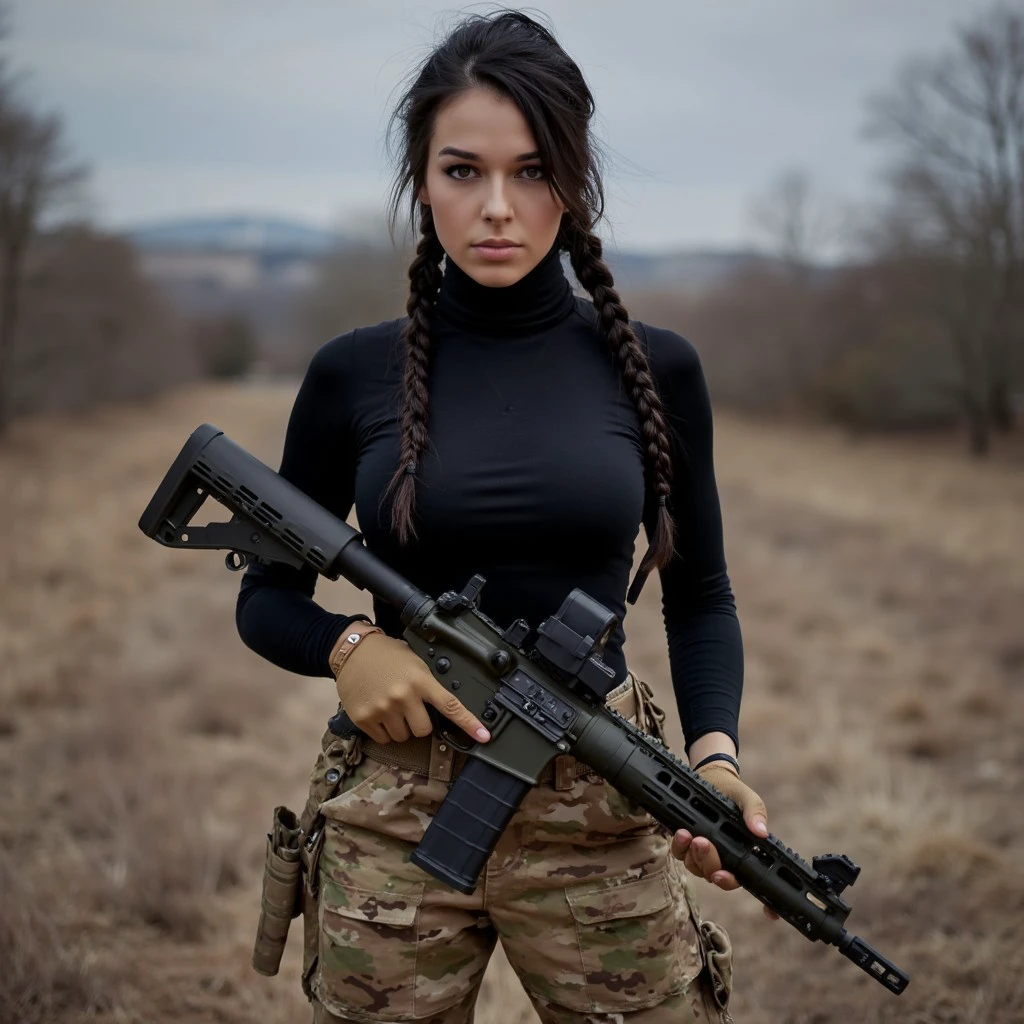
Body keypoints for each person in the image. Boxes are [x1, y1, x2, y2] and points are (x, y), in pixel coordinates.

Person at [236, 10, 771, 1023]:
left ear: (574, 182)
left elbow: (699, 595)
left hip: (600, 801)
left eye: (531, 172)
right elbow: (267, 596)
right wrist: (351, 645)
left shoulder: (655, 369)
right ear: (419, 177)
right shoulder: (351, 373)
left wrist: (712, 761)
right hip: (394, 810)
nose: (496, 208)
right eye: (461, 171)